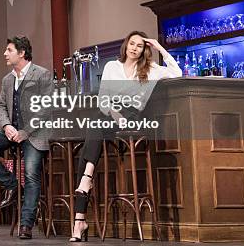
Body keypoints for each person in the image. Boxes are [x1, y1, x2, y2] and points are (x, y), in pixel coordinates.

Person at [69, 31, 181, 242]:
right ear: (126, 45)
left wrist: (159, 48)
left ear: (143, 50)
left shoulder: (150, 70)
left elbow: (177, 72)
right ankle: (81, 209)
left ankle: (81, 207)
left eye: (139, 45)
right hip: (111, 114)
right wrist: (115, 114)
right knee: (94, 127)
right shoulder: (112, 66)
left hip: (133, 117)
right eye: (132, 43)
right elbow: (103, 100)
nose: (135, 48)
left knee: (90, 141)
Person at [0, 36, 53, 240]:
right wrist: (7, 125)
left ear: (22, 53)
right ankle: (12, 185)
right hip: (12, 131)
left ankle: (26, 224)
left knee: (31, 175)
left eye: (9, 50)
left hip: (34, 133)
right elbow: (1, 106)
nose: (5, 53)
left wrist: (24, 132)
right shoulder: (8, 79)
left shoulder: (42, 75)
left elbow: (46, 109)